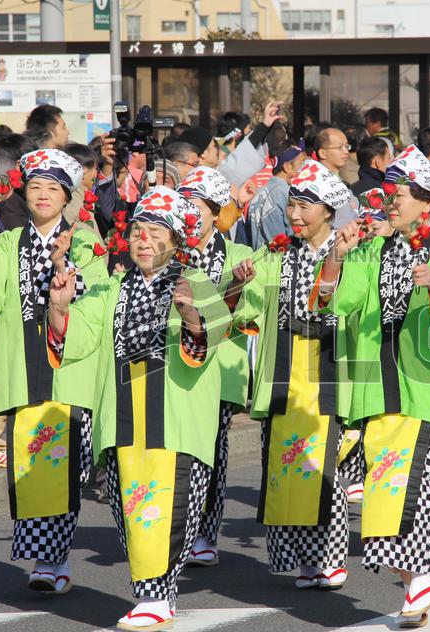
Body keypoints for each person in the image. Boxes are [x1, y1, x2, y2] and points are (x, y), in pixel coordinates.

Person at [46, 186, 227, 629]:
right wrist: (59, 307)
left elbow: (212, 336)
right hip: (124, 413)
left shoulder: (195, 280)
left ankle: (158, 596)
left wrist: (190, 313)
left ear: (177, 239)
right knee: (130, 504)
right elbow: (79, 338)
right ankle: (149, 594)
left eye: (156, 232)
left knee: (175, 503)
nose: (143, 240)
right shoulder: (112, 287)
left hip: (175, 414)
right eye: (138, 231)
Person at [312, 145, 430, 627]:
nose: (389, 202)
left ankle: (419, 579)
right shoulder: (372, 249)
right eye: (387, 194)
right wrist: (337, 257)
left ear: (425, 201)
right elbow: (336, 304)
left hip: (425, 389)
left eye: (398, 195)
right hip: (378, 386)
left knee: (411, 489)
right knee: (387, 496)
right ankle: (418, 581)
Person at [0, 148, 108, 595]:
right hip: (22, 365)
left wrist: (63, 263)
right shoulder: (7, 241)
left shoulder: (87, 243)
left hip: (70, 368)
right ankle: (45, 558)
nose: (42, 195)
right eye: (35, 187)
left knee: (66, 467)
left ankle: (54, 557)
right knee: (31, 464)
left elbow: (96, 303)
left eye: (52, 189)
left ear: (66, 197)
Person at [232, 159, 353, 591]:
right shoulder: (277, 254)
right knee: (284, 465)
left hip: (329, 368)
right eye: (292, 205)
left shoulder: (352, 254)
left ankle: (329, 555)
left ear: (328, 210)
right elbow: (246, 305)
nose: (295, 214)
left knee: (324, 466)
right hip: (284, 367)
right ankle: (302, 557)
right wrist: (238, 282)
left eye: (305, 206)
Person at [167, 167, 256, 567]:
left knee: (213, 451)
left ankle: (206, 531)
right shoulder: (171, 252)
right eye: (184, 206)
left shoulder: (238, 254)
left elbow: (250, 313)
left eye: (198, 208)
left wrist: (234, 288)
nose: (189, 215)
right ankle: (176, 528)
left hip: (220, 368)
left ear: (217, 212)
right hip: (177, 365)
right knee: (177, 450)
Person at [179, 101, 284, 187]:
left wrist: (265, 125)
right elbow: (244, 155)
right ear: (203, 154)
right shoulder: (210, 179)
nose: (219, 148)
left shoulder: (190, 177)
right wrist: (264, 125)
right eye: (214, 145)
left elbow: (244, 153)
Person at [248, 144, 307, 250]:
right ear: (287, 167)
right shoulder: (287, 193)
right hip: (278, 257)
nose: (305, 167)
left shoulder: (259, 191)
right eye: (302, 163)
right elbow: (296, 236)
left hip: (257, 256)